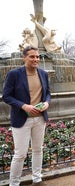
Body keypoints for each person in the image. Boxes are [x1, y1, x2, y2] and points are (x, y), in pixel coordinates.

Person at [2, 46, 51, 186]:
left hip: (40, 118)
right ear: (24, 57)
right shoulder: (14, 74)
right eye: (32, 57)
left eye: (37, 57)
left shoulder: (43, 73)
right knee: (20, 154)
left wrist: (47, 102)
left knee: (38, 149)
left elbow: (48, 92)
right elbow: (6, 96)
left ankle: (37, 179)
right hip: (21, 119)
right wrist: (24, 106)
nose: (35, 59)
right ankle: (14, 183)